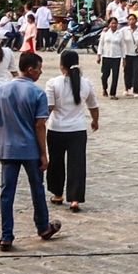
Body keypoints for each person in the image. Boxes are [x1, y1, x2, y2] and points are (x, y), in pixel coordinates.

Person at [0, 51, 61, 249]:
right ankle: (42, 226)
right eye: (39, 69)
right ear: (31, 70)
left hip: (7, 148)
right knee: (37, 189)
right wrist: (43, 153)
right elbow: (40, 125)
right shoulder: (38, 93)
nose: (40, 73)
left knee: (7, 193)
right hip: (30, 148)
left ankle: (7, 235)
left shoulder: (2, 89)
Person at [45, 50, 98, 212]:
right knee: (77, 164)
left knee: (56, 161)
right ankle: (75, 198)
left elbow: (49, 107)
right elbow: (93, 106)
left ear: (62, 66)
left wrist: (40, 123)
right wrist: (95, 120)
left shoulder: (53, 83)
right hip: (78, 129)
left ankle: (58, 193)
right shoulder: (86, 83)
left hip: (56, 129)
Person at [96, 16, 129, 98]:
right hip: (106, 56)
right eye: (112, 23)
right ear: (109, 24)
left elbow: (122, 46)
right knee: (105, 75)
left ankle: (112, 93)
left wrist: (124, 58)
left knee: (115, 76)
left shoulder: (120, 34)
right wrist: (99, 55)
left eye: (115, 23)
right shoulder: (105, 33)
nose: (114, 25)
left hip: (116, 57)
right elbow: (101, 45)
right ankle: (104, 88)